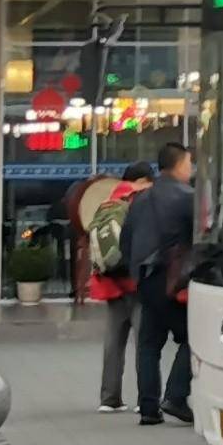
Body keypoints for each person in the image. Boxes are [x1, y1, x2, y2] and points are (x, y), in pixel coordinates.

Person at [122, 139, 198, 427]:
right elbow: (199, 240)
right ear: (179, 164)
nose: (191, 169)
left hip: (145, 279)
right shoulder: (188, 197)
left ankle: (148, 409)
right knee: (195, 337)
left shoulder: (140, 199)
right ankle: (176, 396)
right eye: (189, 163)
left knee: (148, 345)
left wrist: (136, 273)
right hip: (173, 281)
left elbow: (125, 241)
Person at [89, 160, 152, 414]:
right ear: (140, 181)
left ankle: (109, 398)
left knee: (113, 342)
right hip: (136, 282)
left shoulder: (107, 203)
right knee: (144, 341)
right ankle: (144, 398)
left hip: (111, 282)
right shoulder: (142, 201)